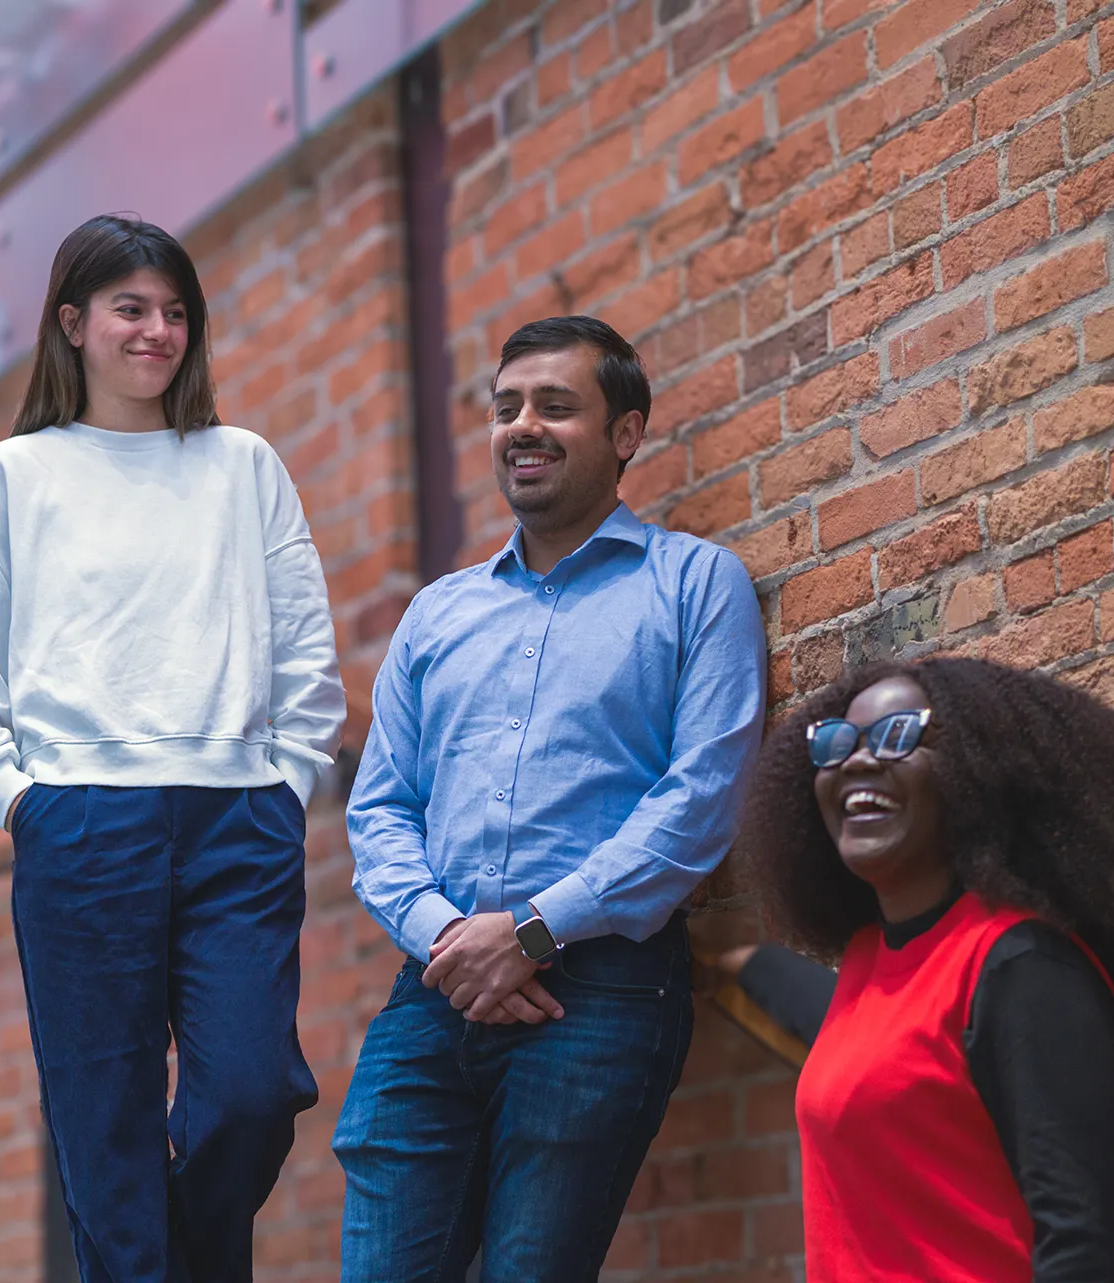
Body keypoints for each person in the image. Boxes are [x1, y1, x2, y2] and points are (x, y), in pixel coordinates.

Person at [0, 214, 345, 1283]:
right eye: (130, 308)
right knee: (102, 1129)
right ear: (72, 323)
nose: (157, 330)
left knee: (248, 1095)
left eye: (173, 311)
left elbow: (304, 646)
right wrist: (23, 800)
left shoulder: (242, 465)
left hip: (236, 816)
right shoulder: (12, 475)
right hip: (78, 820)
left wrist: (286, 781)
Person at [336, 315, 768, 1280]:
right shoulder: (438, 613)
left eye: (556, 406)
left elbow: (700, 796)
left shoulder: (695, 585)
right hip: (431, 989)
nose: (523, 426)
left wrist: (529, 930)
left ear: (626, 433)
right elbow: (380, 808)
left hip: (601, 992)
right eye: (507, 408)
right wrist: (453, 938)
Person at [736, 657, 1114, 1281]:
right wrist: (728, 961)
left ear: (976, 770)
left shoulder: (1021, 966)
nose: (856, 761)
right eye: (835, 746)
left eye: (898, 735)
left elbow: (1087, 1244)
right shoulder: (868, 963)